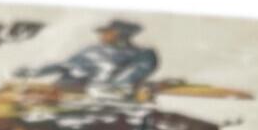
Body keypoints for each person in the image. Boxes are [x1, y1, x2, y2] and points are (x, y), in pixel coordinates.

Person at [22, 19, 158, 94]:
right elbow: (65, 65)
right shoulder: (92, 50)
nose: (102, 35)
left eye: (108, 32)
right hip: (63, 91)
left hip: (96, 97)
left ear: (121, 34)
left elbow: (126, 79)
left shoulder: (142, 54)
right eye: (104, 32)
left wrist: (105, 88)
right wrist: (35, 72)